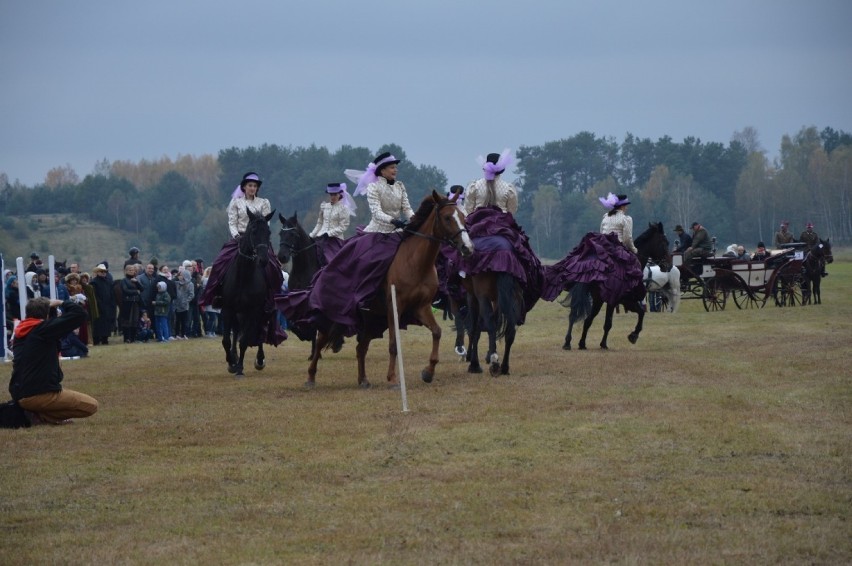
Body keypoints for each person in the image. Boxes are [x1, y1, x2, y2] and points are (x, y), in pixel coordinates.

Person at [289, 151, 414, 336]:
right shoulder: (373, 188)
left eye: (396, 167)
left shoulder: (400, 186)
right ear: (382, 170)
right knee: (361, 262)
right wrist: (313, 236)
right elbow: (376, 212)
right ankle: (355, 297)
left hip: (387, 232)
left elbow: (407, 208)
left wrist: (414, 219)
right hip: (377, 231)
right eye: (391, 167)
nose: (395, 169)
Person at [199, 171, 285, 345]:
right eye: (249, 186)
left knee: (274, 267)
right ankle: (217, 295)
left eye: (255, 186)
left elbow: (265, 223)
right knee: (220, 263)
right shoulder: (236, 203)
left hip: (259, 240)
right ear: (244, 187)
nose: (252, 188)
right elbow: (232, 221)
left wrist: (259, 238)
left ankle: (272, 297)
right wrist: (237, 235)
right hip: (240, 240)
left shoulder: (264, 203)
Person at [8, 297, 98, 425]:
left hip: (20, 393)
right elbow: (80, 314)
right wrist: (61, 302)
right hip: (37, 394)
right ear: (46, 314)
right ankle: (40, 416)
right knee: (90, 405)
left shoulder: (23, 330)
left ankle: (33, 412)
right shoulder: (42, 330)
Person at [309, 182, 356, 265]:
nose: (333, 197)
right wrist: (312, 235)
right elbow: (320, 223)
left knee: (331, 261)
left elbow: (343, 226)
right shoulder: (324, 206)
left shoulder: (343, 209)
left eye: (335, 194)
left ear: (339, 194)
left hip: (335, 240)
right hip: (320, 237)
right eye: (331, 195)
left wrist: (329, 233)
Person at [90, 263, 115, 345]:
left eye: (104, 271)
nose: (103, 273)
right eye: (101, 271)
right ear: (97, 272)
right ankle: (96, 340)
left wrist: (111, 304)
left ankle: (105, 339)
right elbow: (95, 296)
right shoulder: (94, 282)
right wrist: (100, 305)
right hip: (98, 307)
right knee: (98, 324)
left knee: (106, 323)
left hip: (108, 305)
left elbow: (111, 294)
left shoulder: (108, 282)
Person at [119, 264, 143, 343]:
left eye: (133, 270)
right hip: (127, 303)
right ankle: (127, 338)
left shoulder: (135, 280)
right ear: (126, 271)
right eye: (130, 270)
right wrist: (136, 291)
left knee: (135, 321)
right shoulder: (124, 280)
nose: (132, 271)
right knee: (127, 321)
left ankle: (133, 338)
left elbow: (142, 289)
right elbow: (125, 290)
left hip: (136, 302)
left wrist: (137, 283)